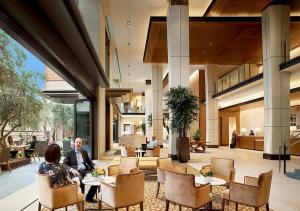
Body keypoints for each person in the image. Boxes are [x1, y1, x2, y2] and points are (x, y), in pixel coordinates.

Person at [38, 144, 83, 211]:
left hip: (45, 195)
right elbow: (69, 181)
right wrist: (76, 182)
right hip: (58, 197)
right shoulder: (60, 167)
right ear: (57, 155)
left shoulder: (41, 165)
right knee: (79, 192)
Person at [63, 137, 98, 203]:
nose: (78, 144)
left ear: (82, 144)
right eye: (76, 142)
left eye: (80, 143)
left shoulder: (84, 152)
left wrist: (94, 165)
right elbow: (64, 164)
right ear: (74, 144)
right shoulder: (69, 153)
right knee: (81, 180)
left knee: (96, 177)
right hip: (76, 172)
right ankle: (81, 199)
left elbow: (89, 162)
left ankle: (89, 197)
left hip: (85, 170)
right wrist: (72, 169)